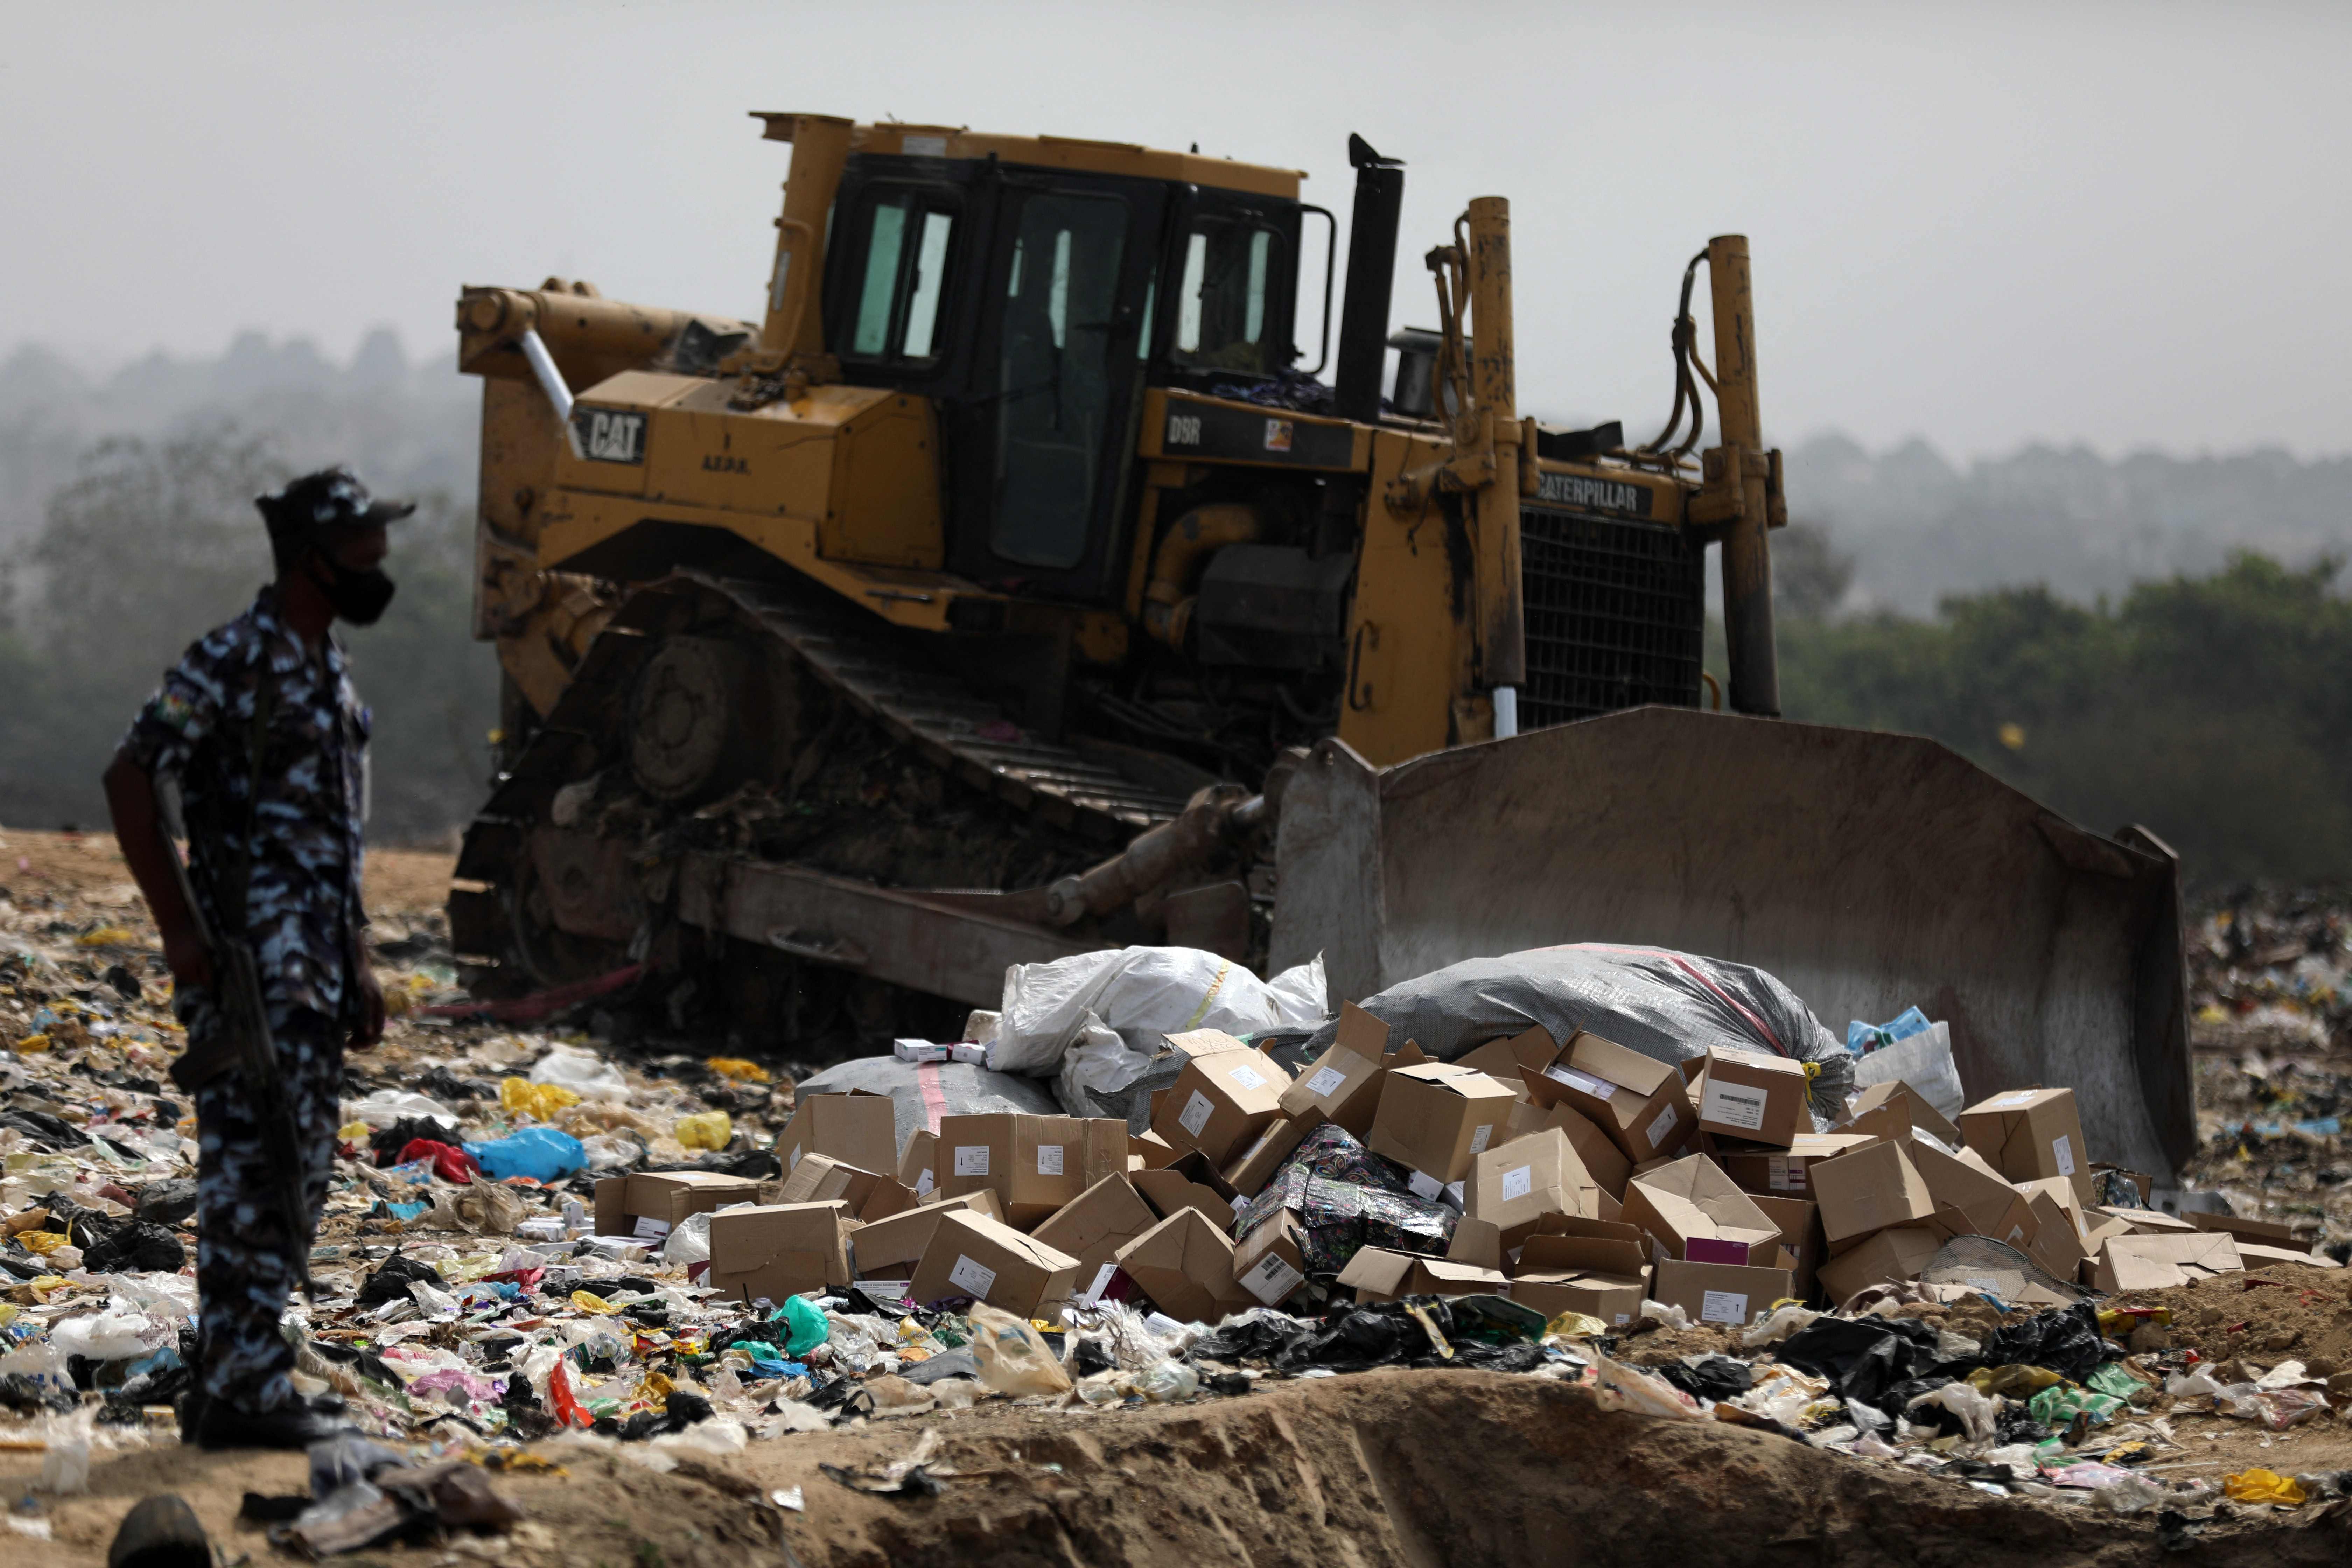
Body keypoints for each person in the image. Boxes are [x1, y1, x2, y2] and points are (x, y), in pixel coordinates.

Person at [103, 466, 404, 1449]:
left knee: (301, 1172)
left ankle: (244, 1371)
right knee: (249, 1174)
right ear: (311, 559)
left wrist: (357, 954)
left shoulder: (329, 669)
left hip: (314, 973)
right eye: (361, 549)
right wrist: (180, 931)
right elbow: (131, 774)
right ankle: (238, 1392)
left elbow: (336, 835)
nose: (378, 564)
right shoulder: (235, 660)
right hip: (247, 970)